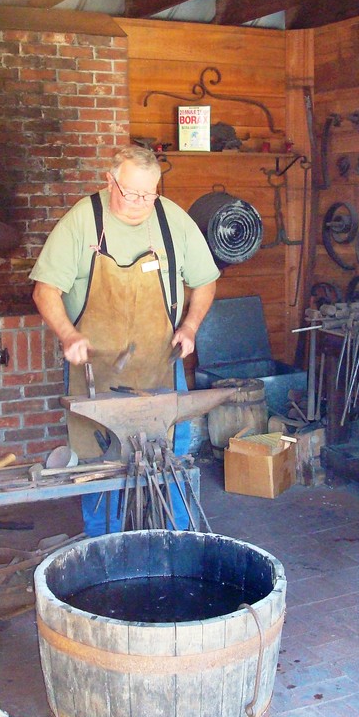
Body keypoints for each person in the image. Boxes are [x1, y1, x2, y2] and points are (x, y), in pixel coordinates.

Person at [30, 144, 220, 535]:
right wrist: (68, 334)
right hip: (95, 372)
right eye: (131, 193)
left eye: (149, 195)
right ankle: (105, 547)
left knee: (173, 459)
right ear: (110, 180)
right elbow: (45, 290)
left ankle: (176, 540)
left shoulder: (172, 221)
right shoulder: (84, 220)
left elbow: (205, 281)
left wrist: (190, 327)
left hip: (160, 367)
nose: (139, 203)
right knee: (97, 465)